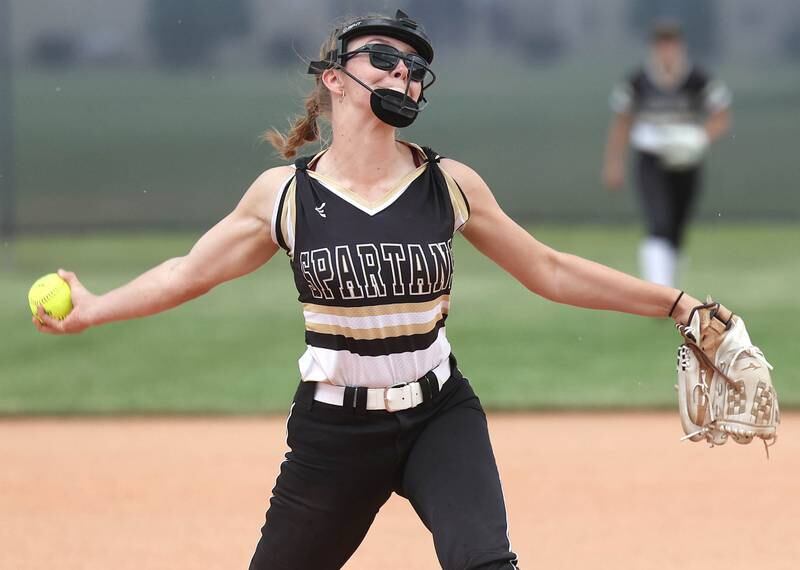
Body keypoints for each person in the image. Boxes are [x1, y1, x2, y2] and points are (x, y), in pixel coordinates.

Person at [34, 10, 706, 570]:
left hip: (440, 417)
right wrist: (94, 309)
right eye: (384, 58)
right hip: (335, 431)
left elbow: (549, 269)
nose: (402, 75)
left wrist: (675, 304)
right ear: (334, 77)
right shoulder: (286, 196)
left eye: (415, 70)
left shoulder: (449, 184)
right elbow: (188, 272)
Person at [602, 21, 731, 288]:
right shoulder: (638, 80)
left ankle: (669, 287)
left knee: (677, 227)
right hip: (652, 160)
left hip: (687, 163)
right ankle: (658, 291)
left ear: (680, 47)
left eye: (671, 45)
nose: (667, 52)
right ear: (654, 49)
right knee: (658, 221)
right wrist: (614, 163)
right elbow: (622, 122)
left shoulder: (697, 78)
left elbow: (721, 115)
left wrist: (699, 137)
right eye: (661, 46)